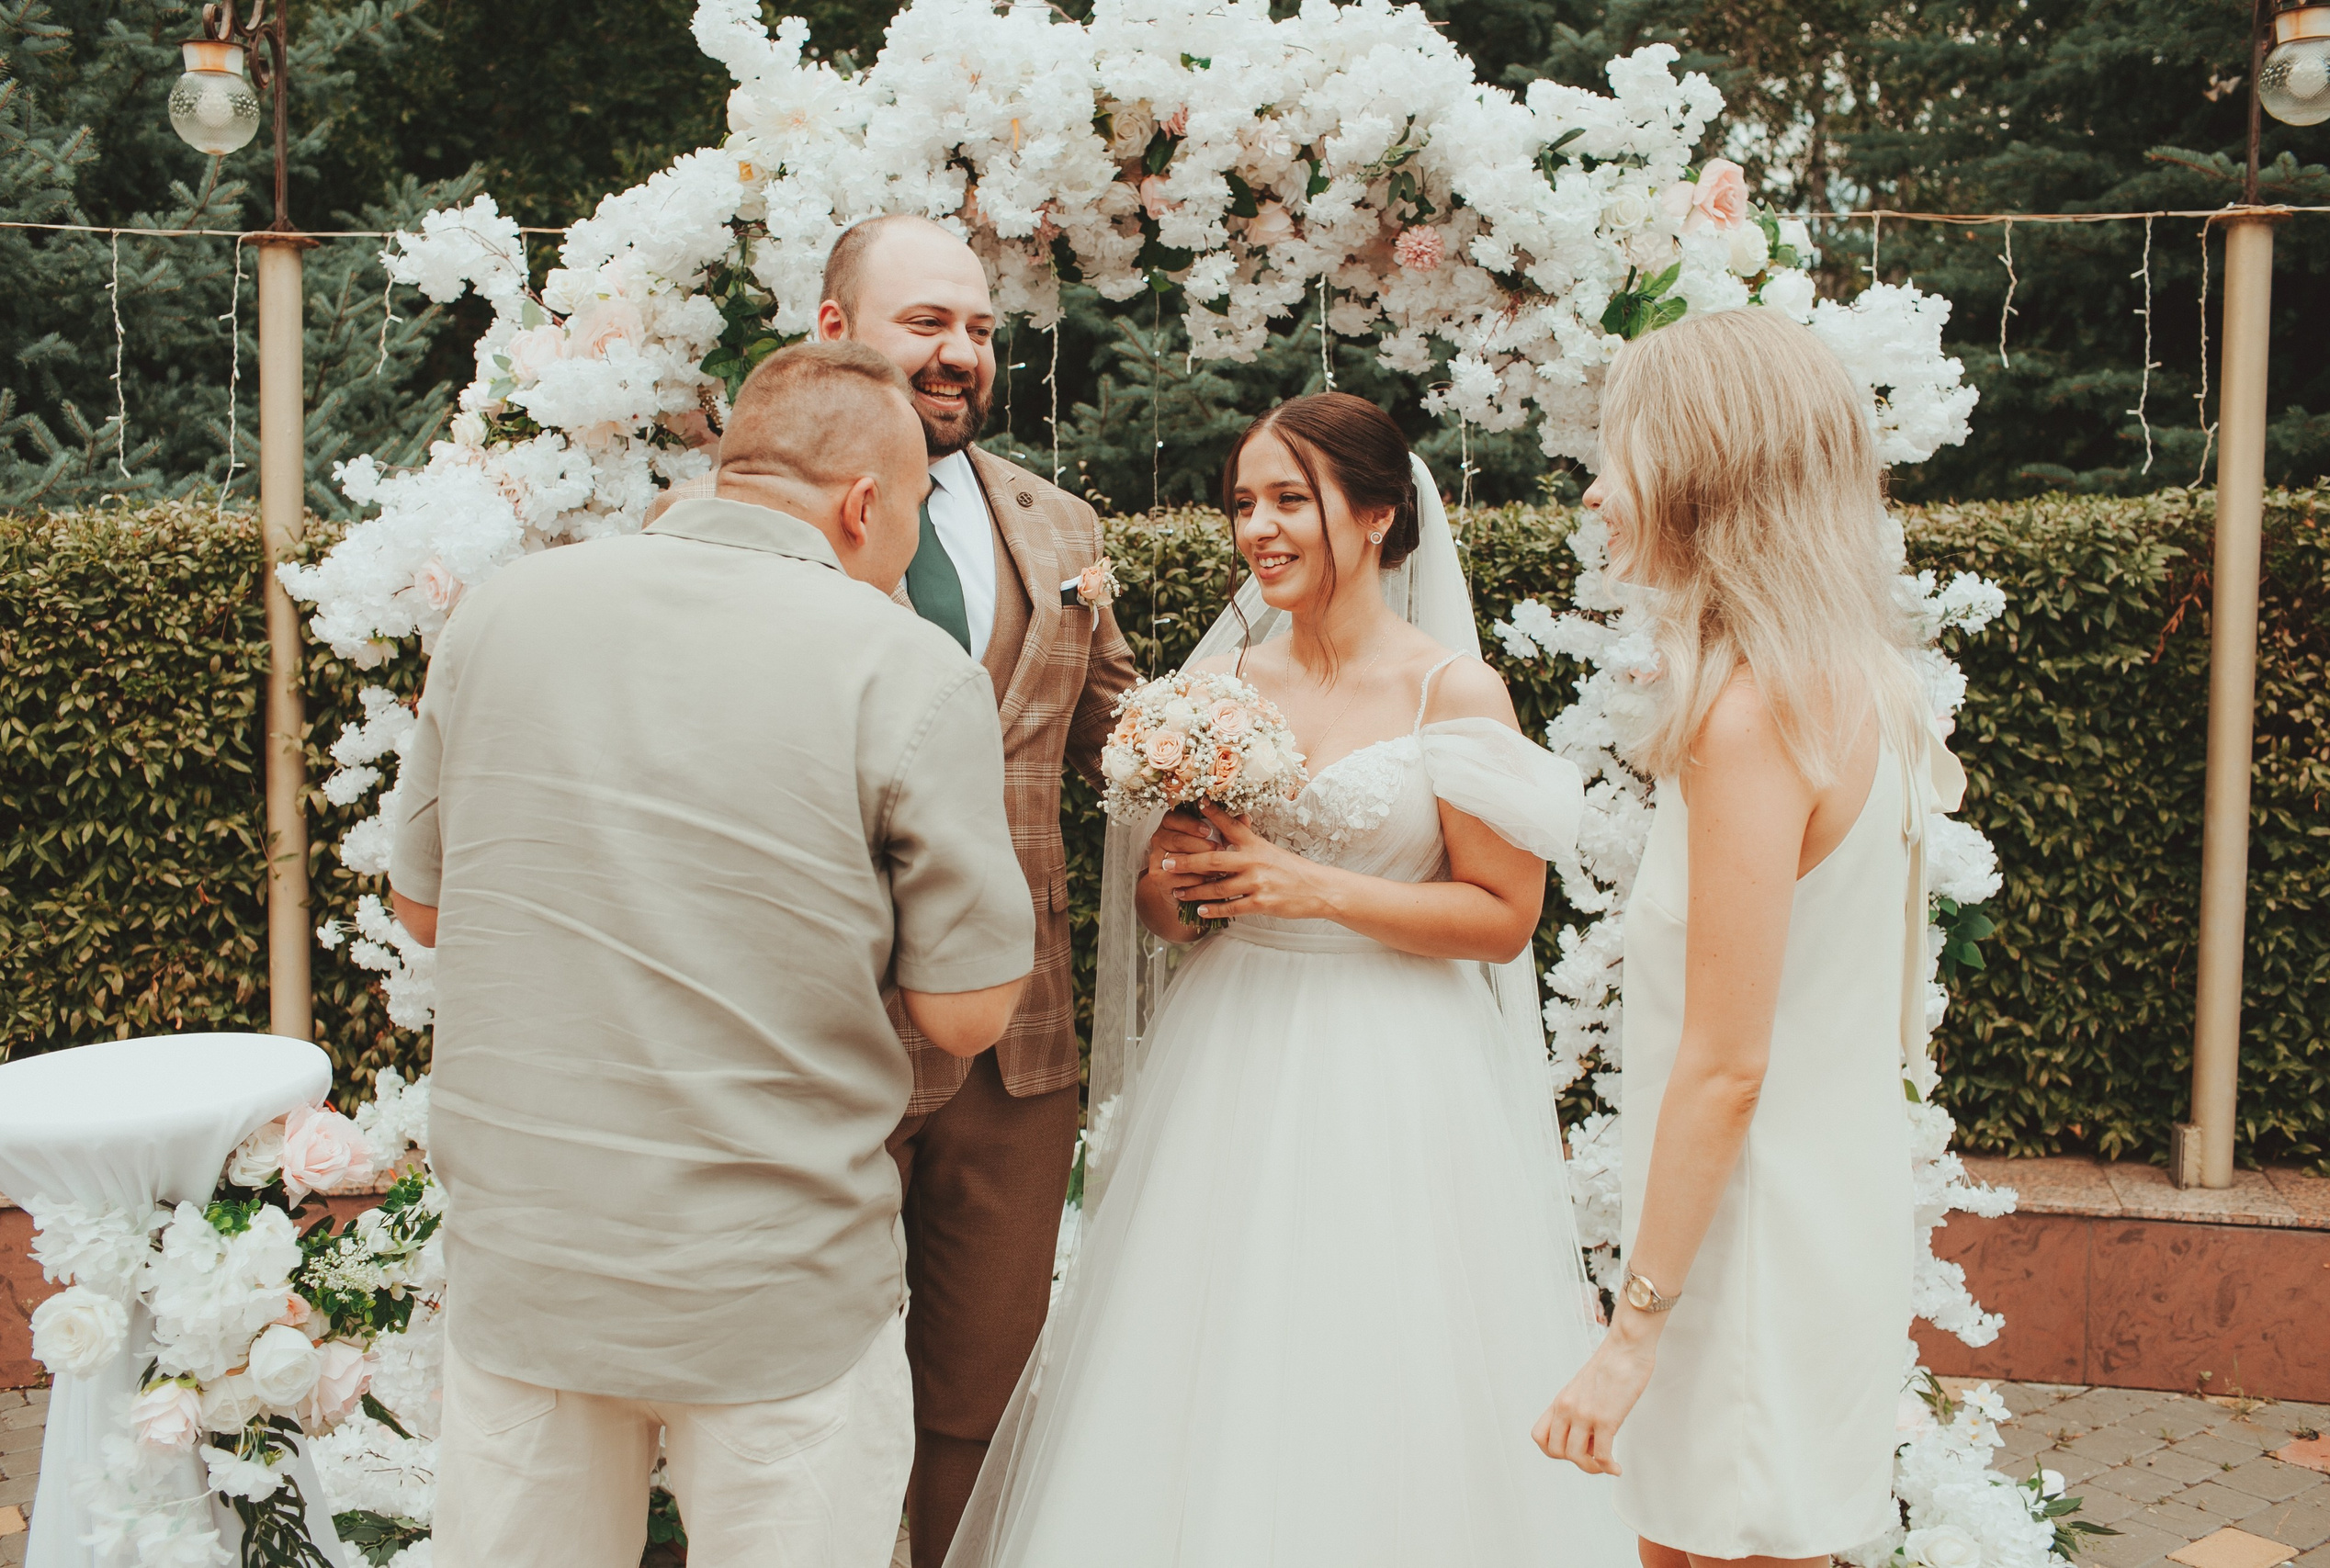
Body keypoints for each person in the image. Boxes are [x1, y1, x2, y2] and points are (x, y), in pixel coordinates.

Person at [945, 392, 1630, 1567]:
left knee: (1379, 1348)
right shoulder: (1221, 690)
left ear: (1374, 517)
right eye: (1242, 504)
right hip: (1233, 1051)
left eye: (1287, 500)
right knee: (1203, 1347)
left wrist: (1314, 890)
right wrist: (1184, 881)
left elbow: (1501, 916)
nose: (1257, 528)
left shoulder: (1450, 694)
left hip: (1396, 1064)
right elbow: (1170, 909)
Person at [384, 342, 1038, 1568]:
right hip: (772, 1281)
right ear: (862, 503)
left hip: (536, 1257)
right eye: (906, 518)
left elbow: (424, 910)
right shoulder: (903, 665)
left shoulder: (505, 612)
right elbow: (967, 1013)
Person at [1533, 307, 1961, 1567]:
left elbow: (1726, 1062)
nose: (1601, 490)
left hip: (1752, 1246)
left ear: (1704, 470)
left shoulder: (1754, 710)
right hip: (1816, 1211)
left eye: (1621, 452)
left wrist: (1633, 1329)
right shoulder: (1857, 680)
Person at [806, 213, 1139, 1568]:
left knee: (982, 1395)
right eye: (925, 323)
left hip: (1019, 1033)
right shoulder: (752, 517)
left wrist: (1249, 762)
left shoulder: (1055, 520)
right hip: (812, 1026)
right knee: (807, 1391)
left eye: (980, 328)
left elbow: (1115, 723)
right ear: (834, 331)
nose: (959, 354)